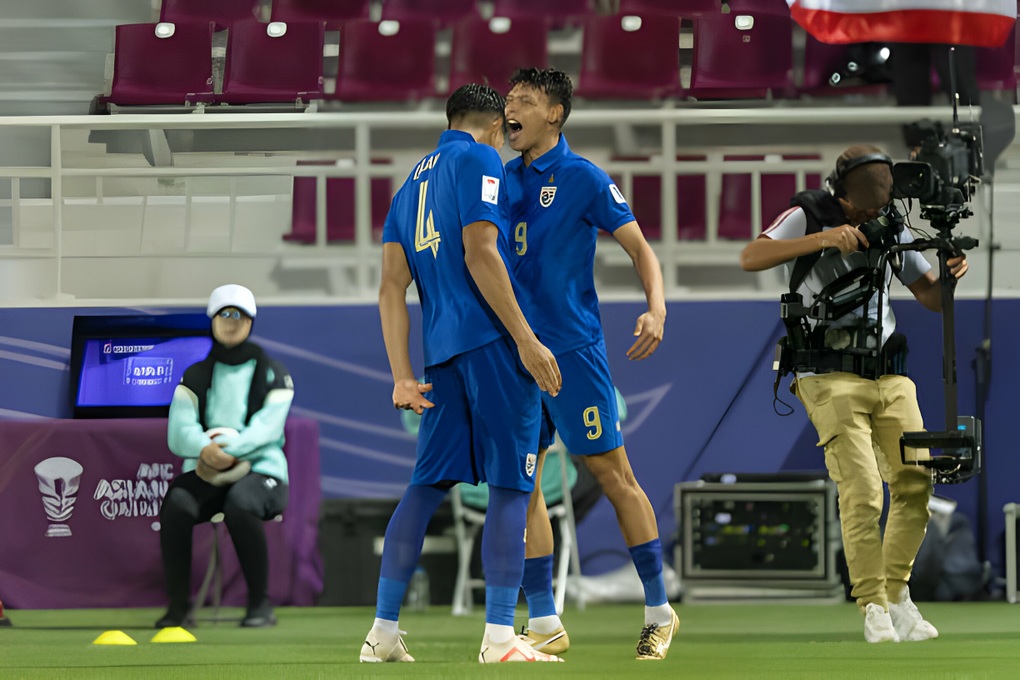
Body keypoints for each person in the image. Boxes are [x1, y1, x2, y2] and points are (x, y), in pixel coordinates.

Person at [360, 83, 562, 664]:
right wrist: (526, 339)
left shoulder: (407, 187)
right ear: (497, 124)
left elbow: (390, 290)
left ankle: (383, 632)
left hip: (441, 353)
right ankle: (500, 636)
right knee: (510, 484)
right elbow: (481, 252)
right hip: (493, 344)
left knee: (424, 488)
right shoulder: (479, 158)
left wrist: (402, 375)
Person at [739, 144, 969, 642]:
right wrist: (826, 236)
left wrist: (947, 276)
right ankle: (873, 607)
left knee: (914, 482)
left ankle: (898, 594)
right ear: (839, 193)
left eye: (876, 206)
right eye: (861, 207)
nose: (869, 216)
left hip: (887, 371)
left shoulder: (889, 221)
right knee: (862, 489)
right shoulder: (807, 213)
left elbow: (929, 297)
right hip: (825, 372)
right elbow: (751, 256)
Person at [502, 68, 678, 661]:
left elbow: (639, 248)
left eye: (524, 101)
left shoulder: (583, 178)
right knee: (521, 485)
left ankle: (659, 611)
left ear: (555, 114)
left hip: (573, 352)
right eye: (508, 101)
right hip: (517, 354)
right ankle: (545, 621)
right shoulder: (500, 181)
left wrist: (656, 308)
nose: (510, 110)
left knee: (613, 475)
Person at [156, 283, 294, 629]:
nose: (232, 322)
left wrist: (225, 449)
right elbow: (179, 431)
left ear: (251, 321)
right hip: (207, 472)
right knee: (177, 503)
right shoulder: (195, 375)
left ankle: (260, 605)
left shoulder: (273, 373)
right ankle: (178, 609)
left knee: (240, 502)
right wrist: (204, 449)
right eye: (224, 314)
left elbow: (267, 430)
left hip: (264, 474)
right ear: (212, 320)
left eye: (240, 315)